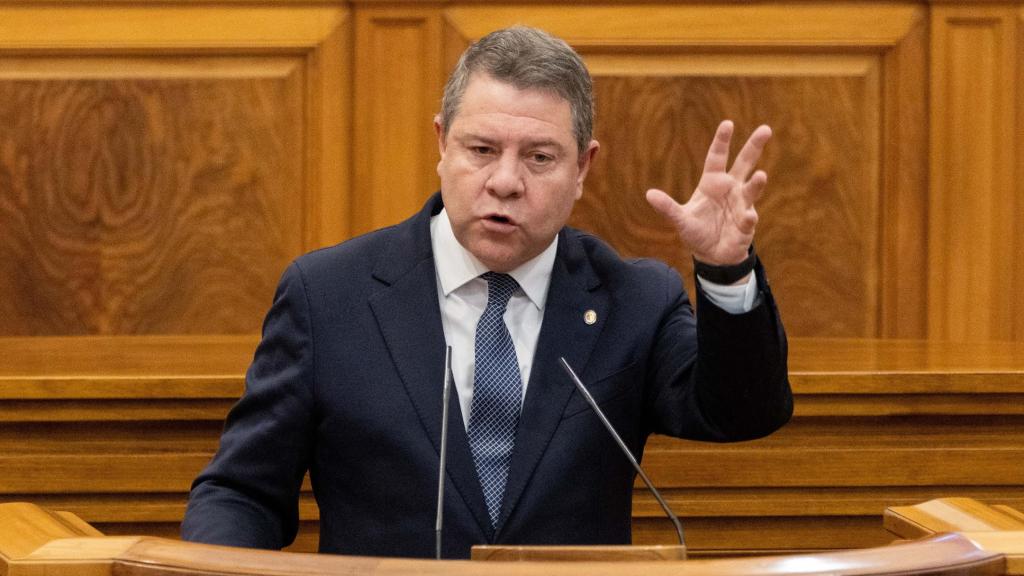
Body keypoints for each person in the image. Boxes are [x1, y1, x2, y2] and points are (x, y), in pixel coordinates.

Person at [181, 25, 792, 559]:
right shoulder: (330, 296)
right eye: (481, 150)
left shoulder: (633, 299)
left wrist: (725, 270)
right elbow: (243, 492)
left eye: (540, 157)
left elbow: (742, 412)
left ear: (583, 168)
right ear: (441, 144)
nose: (505, 181)